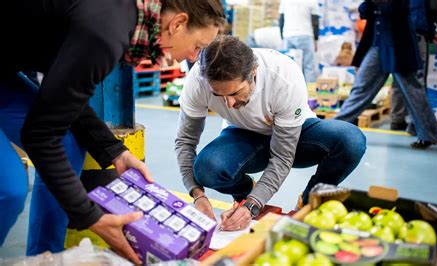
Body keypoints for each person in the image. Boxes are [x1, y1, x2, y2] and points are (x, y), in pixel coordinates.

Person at [0, 0, 225, 263]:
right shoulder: (105, 30)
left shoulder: (124, 16)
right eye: (197, 47)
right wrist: (91, 217)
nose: (193, 58)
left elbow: (66, 93)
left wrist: (115, 151)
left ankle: (43, 258)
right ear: (177, 24)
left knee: (69, 143)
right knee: (9, 187)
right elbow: (39, 134)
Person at [175, 36, 366, 231]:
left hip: (294, 134)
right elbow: (185, 142)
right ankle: (245, 192)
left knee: (350, 141)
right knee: (208, 169)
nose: (229, 104)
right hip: (243, 133)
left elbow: (282, 157)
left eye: (235, 93)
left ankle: (309, 202)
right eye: (218, 95)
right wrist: (198, 195)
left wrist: (254, 205)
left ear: (253, 72)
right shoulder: (198, 81)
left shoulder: (284, 77)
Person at [335, 0, 437, 149]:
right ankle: (334, 127)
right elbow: (364, 10)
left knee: (412, 90)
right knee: (361, 87)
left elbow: (397, 8)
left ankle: (429, 134)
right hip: (378, 43)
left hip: (400, 45)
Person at [390, 0, 437, 131]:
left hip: (396, 35)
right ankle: (415, 123)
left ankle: (397, 119)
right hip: (415, 34)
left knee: (399, 77)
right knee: (415, 79)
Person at [279, 0, 320, 83]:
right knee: (308, 66)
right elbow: (315, 22)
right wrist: (315, 39)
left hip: (288, 35)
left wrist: (282, 37)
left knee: (288, 66)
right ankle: (310, 92)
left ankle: (289, 92)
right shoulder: (312, 1)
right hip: (305, 35)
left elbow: (281, 20)